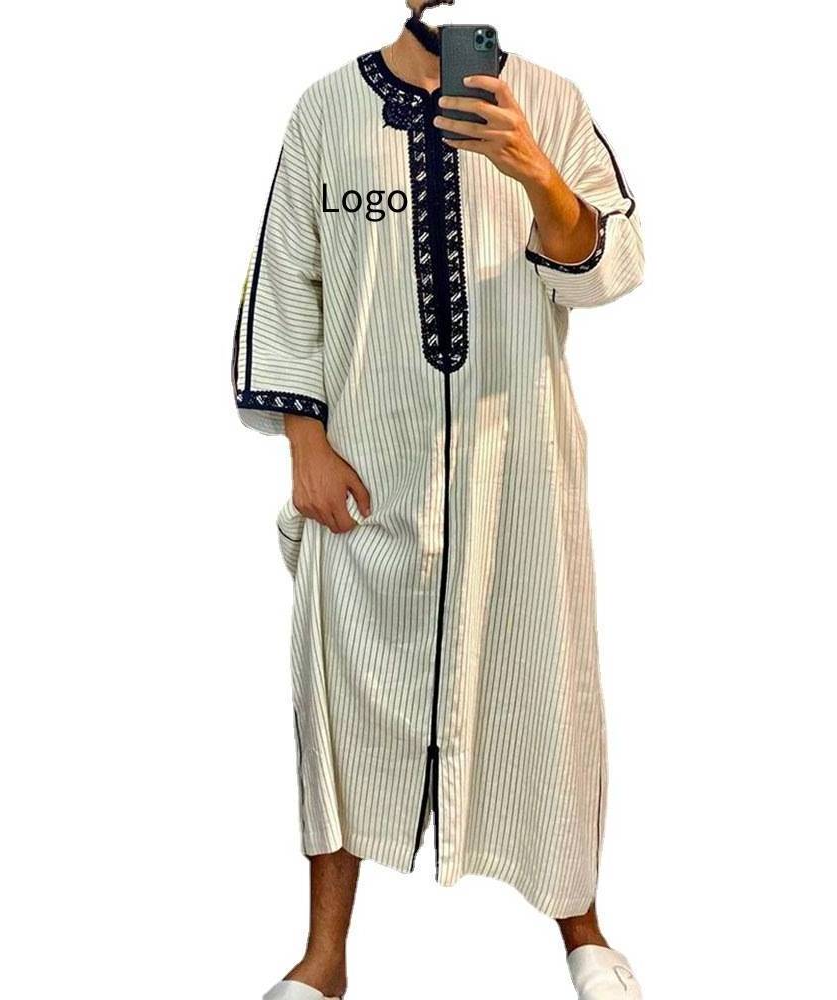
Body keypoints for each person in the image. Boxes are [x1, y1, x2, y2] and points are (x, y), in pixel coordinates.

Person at [231, 2, 644, 997]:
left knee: (546, 690)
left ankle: (583, 930)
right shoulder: (327, 110)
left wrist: (533, 168)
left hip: (519, 471)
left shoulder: (548, 101)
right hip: (366, 469)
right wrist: (304, 446)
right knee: (339, 698)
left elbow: (607, 269)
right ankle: (324, 957)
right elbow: (287, 283)